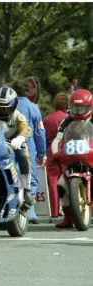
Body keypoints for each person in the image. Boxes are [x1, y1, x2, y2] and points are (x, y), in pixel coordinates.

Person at [0, 86, 35, 212]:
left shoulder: (18, 116)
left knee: (23, 154)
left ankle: (26, 189)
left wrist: (20, 138)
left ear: (13, 107)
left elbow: (26, 129)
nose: (1, 113)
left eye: (5, 110)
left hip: (14, 144)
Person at [51, 89, 92, 228]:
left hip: (90, 154)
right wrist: (56, 152)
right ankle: (68, 218)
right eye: (76, 108)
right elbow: (57, 138)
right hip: (72, 158)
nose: (79, 111)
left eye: (82, 108)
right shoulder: (66, 120)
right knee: (61, 185)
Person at [12, 80, 47, 224]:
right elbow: (39, 131)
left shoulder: (10, 105)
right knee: (29, 178)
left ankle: (12, 212)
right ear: (29, 93)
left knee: (12, 177)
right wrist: (42, 152)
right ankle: (29, 213)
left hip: (10, 144)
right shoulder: (34, 108)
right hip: (28, 144)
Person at [43, 93, 69, 219]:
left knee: (52, 182)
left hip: (51, 151)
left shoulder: (47, 119)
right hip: (66, 150)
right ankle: (68, 208)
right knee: (67, 178)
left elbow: (44, 137)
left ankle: (54, 211)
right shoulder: (68, 118)